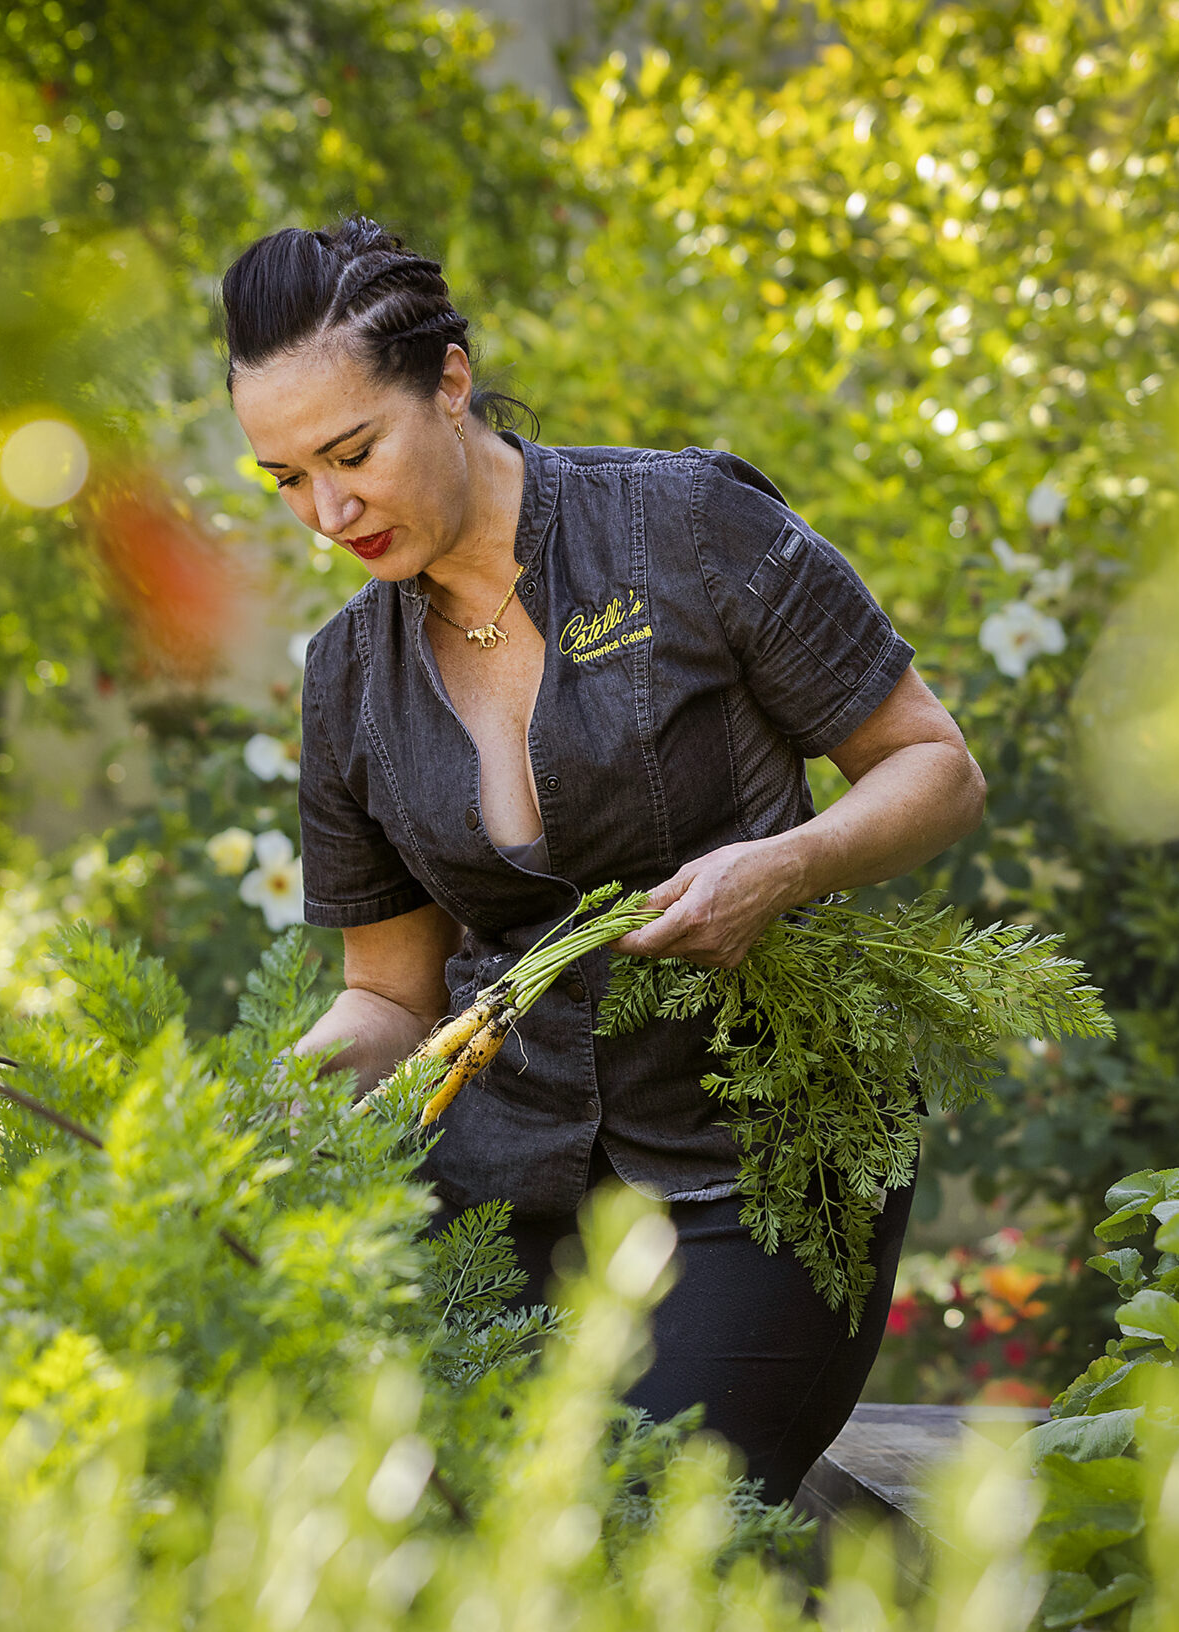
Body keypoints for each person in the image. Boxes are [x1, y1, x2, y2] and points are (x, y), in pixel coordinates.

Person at [222, 217, 986, 1505]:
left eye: (352, 454)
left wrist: (780, 870)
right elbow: (392, 998)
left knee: (640, 1516)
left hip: (760, 1157)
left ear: (450, 381)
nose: (328, 512)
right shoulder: (347, 678)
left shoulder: (686, 531)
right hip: (502, 1185)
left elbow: (936, 770)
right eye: (285, 478)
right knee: (402, 1503)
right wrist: (259, 1103)